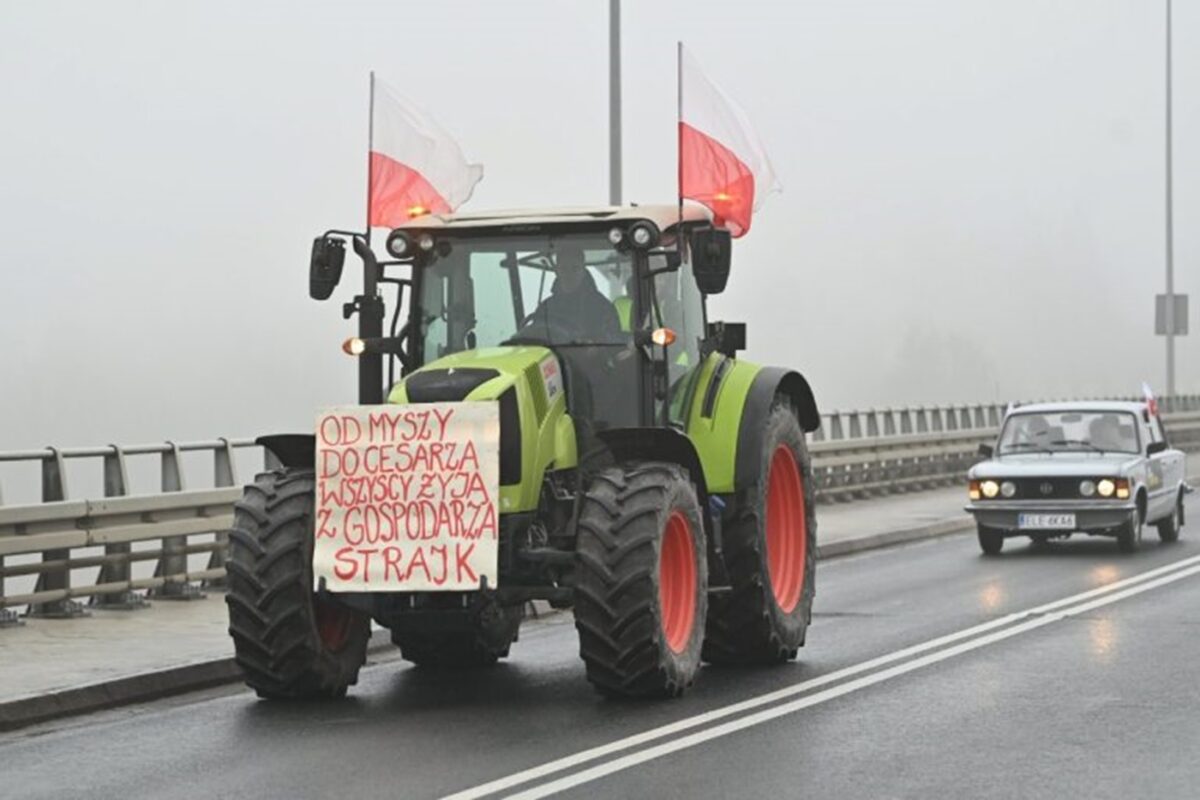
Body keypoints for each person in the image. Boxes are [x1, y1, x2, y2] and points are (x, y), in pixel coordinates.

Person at [525, 245, 622, 343]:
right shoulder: (545, 308)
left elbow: (615, 339)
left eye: (575, 268)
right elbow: (535, 338)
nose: (569, 274)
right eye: (564, 268)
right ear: (557, 271)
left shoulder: (602, 306)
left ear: (583, 271)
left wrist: (594, 343)